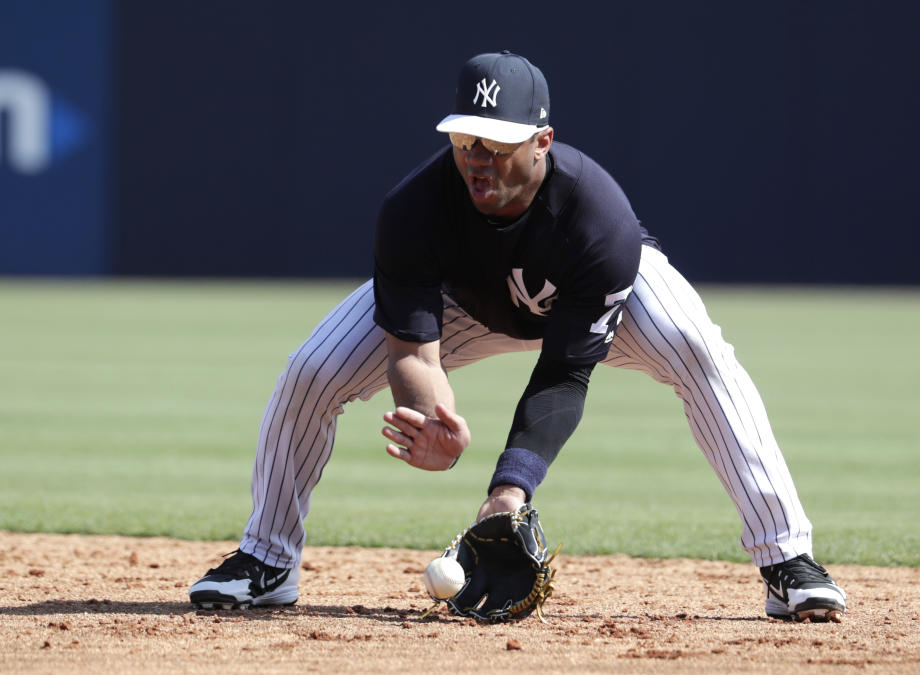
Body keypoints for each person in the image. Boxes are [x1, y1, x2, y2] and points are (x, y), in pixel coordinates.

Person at [189, 51, 847, 622]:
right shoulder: (412, 210)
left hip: (594, 294)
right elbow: (413, 349)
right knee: (312, 370)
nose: (479, 159)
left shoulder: (597, 220)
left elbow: (563, 372)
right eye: (466, 139)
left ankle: (787, 558)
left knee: (695, 347)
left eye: (497, 144)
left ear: (542, 141)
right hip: (465, 302)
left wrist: (508, 489)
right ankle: (268, 561)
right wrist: (431, 412)